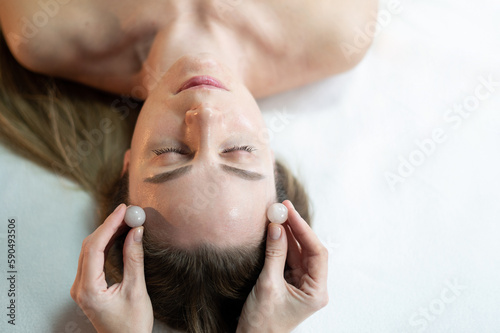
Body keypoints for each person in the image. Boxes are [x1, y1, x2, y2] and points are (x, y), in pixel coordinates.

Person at [0, 1, 376, 332]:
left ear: (126, 167)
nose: (206, 115)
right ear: (272, 161)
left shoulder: (41, 28)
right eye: (239, 150)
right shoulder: (337, 31)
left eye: (171, 154)